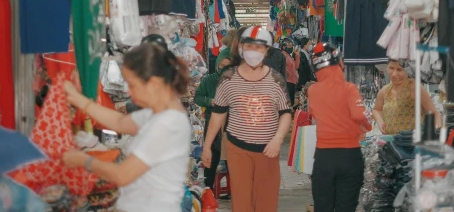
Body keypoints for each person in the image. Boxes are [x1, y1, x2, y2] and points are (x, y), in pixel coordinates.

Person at [62, 40, 192, 212]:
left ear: (153, 83)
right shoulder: (159, 111)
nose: (128, 92)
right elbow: (120, 122)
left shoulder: (167, 124)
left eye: (132, 85)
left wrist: (83, 160)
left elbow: (122, 175)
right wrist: (80, 100)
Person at [201, 25, 293, 212]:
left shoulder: (276, 80)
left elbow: (285, 113)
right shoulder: (227, 79)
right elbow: (219, 113)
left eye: (259, 47)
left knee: (266, 203)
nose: (254, 51)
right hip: (237, 149)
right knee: (241, 203)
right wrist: (207, 146)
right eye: (249, 46)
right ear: (241, 49)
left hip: (268, 151)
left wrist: (278, 139)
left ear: (267, 50)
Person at [308, 43, 372, 212]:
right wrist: (366, 124)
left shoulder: (312, 91)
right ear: (339, 63)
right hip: (349, 155)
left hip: (323, 156)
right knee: (346, 207)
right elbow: (359, 114)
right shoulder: (349, 88)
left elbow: (314, 113)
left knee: (323, 206)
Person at [372, 59, 442, 135]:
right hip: (391, 143)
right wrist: (380, 121)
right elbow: (376, 110)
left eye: (400, 70)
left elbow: (434, 112)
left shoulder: (414, 88)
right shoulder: (384, 91)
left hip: (411, 142)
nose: (394, 74)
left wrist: (437, 131)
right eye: (391, 68)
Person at [194, 56, 232, 189]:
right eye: (221, 65)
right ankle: (209, 187)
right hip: (213, 121)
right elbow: (198, 97)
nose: (224, 68)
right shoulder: (209, 80)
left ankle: (233, 188)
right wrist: (210, 101)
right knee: (212, 154)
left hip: (232, 123)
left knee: (232, 157)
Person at [281, 37, 299, 104]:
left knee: (291, 102)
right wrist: (287, 73)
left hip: (292, 82)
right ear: (283, 47)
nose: (291, 47)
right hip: (287, 82)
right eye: (289, 46)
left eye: (292, 46)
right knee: (288, 103)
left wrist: (297, 56)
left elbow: (296, 67)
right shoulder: (283, 55)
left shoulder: (289, 56)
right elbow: (282, 66)